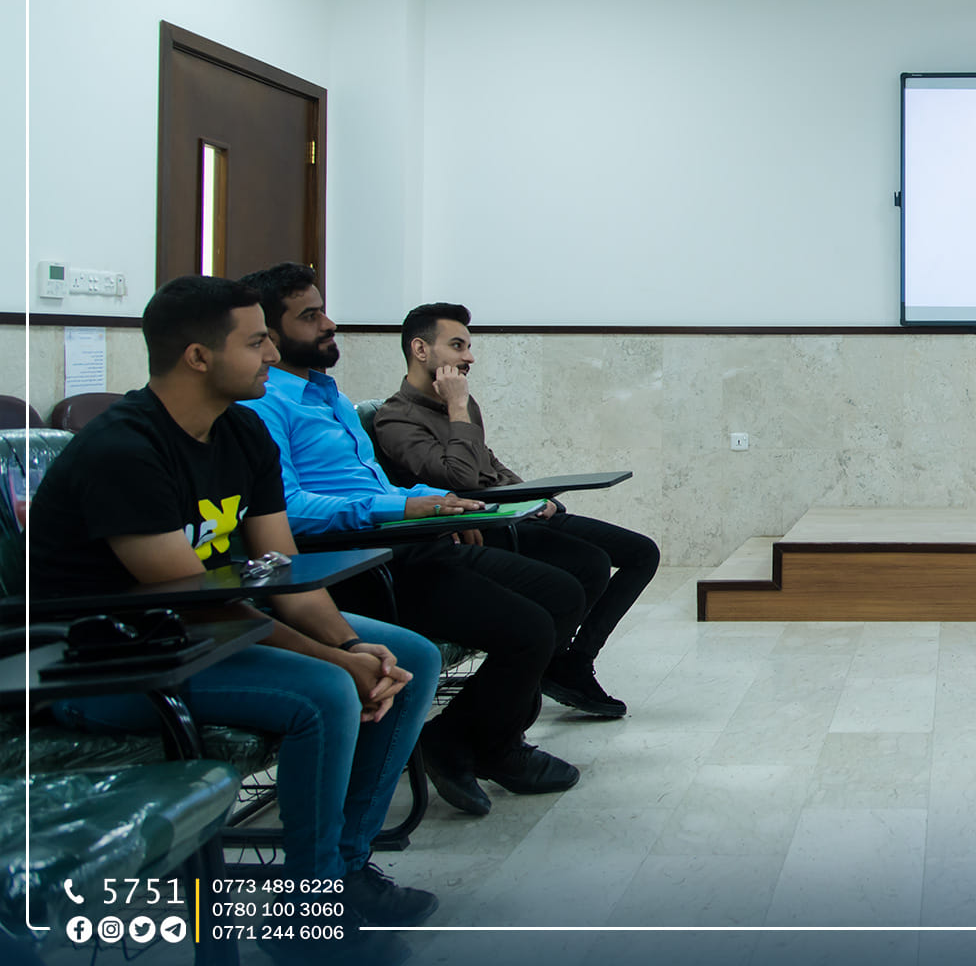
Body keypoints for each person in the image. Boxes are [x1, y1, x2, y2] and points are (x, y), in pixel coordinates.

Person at [29, 277, 440, 962]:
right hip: (105, 665)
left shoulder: (243, 432)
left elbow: (281, 575)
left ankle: (340, 873)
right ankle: (307, 921)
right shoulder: (124, 451)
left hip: (199, 637)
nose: (271, 357)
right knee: (325, 691)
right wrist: (336, 662)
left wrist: (351, 643)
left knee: (412, 658)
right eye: (255, 343)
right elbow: (192, 600)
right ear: (198, 356)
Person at [237, 263, 583, 817]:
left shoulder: (327, 394)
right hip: (357, 561)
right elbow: (289, 508)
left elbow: (374, 484)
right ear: (271, 335)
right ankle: (475, 744)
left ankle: (472, 737)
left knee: (563, 592)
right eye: (310, 316)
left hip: (407, 540)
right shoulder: (261, 405)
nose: (330, 324)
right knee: (530, 628)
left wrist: (442, 500)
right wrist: (404, 505)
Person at [374, 303, 659, 718]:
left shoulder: (462, 405)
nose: (469, 357)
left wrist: (534, 496)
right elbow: (458, 477)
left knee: (642, 553)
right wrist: (457, 407)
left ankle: (572, 662)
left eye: (468, 347)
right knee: (591, 564)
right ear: (420, 350)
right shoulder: (395, 418)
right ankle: (547, 669)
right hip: (484, 526)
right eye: (458, 346)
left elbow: (490, 464)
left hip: (516, 513)